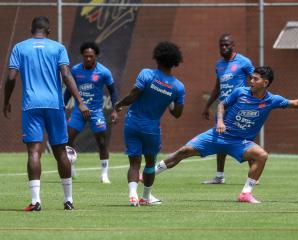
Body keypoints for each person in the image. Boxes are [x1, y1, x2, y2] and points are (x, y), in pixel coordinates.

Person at [153, 66, 298, 203]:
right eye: (251, 78)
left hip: (240, 142)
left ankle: (246, 194)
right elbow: (221, 105)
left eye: (256, 79)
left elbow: (297, 103)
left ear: (266, 82)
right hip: (217, 135)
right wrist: (220, 121)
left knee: (261, 155)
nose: (251, 81)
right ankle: (149, 173)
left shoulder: (272, 100)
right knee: (184, 151)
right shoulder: (240, 92)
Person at [2, 16, 90, 211]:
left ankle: (35, 201)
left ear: (31, 29)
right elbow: (66, 75)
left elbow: (10, 78)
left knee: (34, 151)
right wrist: (81, 102)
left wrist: (6, 100)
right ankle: (68, 200)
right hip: (54, 104)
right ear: (48, 31)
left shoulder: (20, 48)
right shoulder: (58, 48)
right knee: (61, 151)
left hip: (31, 105)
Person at [114, 41, 185, 206]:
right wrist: (168, 101)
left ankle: (132, 195)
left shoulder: (146, 74)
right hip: (151, 128)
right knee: (150, 163)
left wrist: (119, 104)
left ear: (157, 58)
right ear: (175, 62)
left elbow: (133, 95)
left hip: (132, 123)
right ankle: (146, 197)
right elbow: (177, 114)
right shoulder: (178, 87)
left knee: (134, 163)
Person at [201, 33, 254, 184]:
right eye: (221, 45)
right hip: (222, 108)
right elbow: (218, 87)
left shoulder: (244, 62)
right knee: (220, 140)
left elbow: (256, 81)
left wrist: (251, 99)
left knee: (246, 139)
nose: (224, 47)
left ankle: (253, 176)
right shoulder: (219, 65)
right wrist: (207, 106)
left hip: (239, 107)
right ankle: (219, 176)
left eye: (227, 45)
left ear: (233, 45)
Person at [64, 42, 118, 183]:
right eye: (86, 56)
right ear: (82, 56)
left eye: (91, 56)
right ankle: (71, 167)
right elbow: (69, 90)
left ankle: (104, 175)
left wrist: (115, 110)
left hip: (96, 112)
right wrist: (62, 105)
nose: (88, 59)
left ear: (96, 56)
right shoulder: (75, 70)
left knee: (101, 142)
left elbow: (113, 91)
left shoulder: (104, 72)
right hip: (78, 112)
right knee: (68, 139)